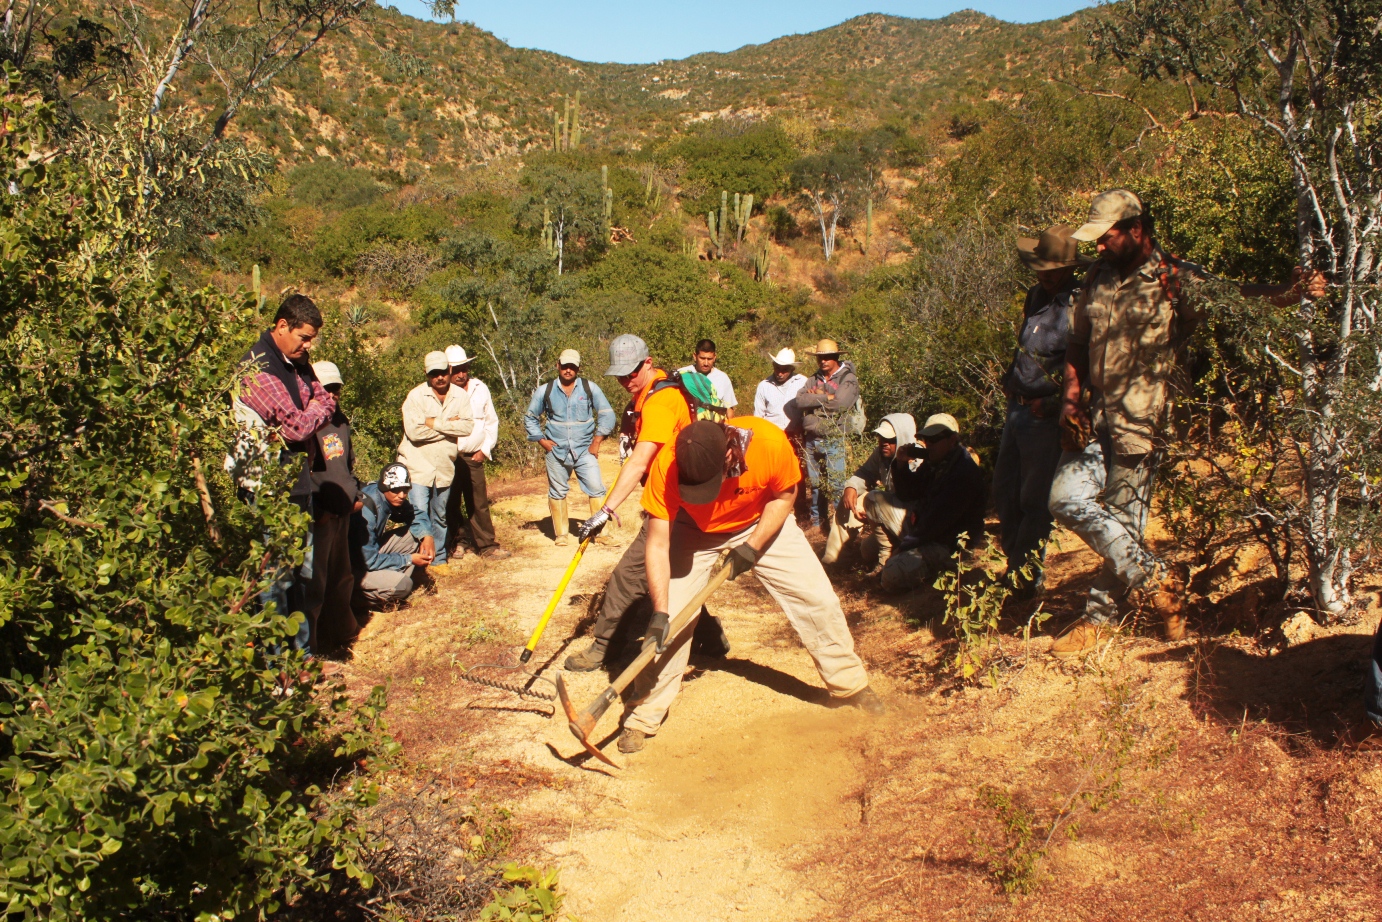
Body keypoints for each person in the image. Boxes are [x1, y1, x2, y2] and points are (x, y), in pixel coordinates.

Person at [1049, 189, 1325, 656]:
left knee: (1122, 522)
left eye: (1107, 237)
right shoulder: (1098, 276)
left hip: (1142, 422)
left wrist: (1289, 293)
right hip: (1094, 419)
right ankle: (1159, 580)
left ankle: (1098, 621)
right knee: (1064, 500)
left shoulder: (1174, 278)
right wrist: (1071, 399)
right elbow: (1078, 342)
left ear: (1136, 229)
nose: (1097, 247)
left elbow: (1234, 299)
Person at [616, 417, 884, 754]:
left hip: (760, 519)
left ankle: (850, 685)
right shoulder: (666, 466)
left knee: (816, 599)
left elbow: (785, 496)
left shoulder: (768, 444)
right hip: (693, 529)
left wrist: (753, 546)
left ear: (730, 453)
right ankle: (643, 715)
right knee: (671, 624)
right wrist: (660, 612)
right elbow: (656, 545)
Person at [564, 334, 729, 672]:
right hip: (687, 497)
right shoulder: (658, 391)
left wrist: (605, 511)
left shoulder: (660, 401)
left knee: (629, 575)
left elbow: (640, 460)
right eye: (620, 374)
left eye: (632, 371)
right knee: (669, 575)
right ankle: (711, 637)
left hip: (676, 502)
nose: (626, 380)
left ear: (648, 362)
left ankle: (604, 647)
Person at [234, 294, 337, 651]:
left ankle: (301, 656)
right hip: (267, 488)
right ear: (281, 326)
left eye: (312, 339)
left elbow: (324, 398)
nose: (309, 346)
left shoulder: (297, 362)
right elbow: (294, 427)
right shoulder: (257, 367)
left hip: (296, 481)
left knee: (300, 572)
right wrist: (313, 408)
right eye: (304, 337)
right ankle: (281, 666)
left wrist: (313, 407)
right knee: (276, 579)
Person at [993, 225, 1088, 595]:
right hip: (1015, 410)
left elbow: (1084, 364)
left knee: (1034, 500)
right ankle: (1017, 566)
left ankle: (1024, 579)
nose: (1044, 276)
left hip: (1042, 417)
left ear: (1068, 268)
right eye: (1041, 269)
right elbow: (1026, 348)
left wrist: (1050, 403)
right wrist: (1009, 377)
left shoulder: (1079, 304)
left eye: (1052, 270)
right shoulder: (1035, 296)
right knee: (1005, 492)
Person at [879, 414, 987, 593]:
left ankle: (936, 573)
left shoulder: (963, 473)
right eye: (926, 439)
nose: (928, 444)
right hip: (928, 533)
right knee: (874, 509)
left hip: (949, 545)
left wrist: (904, 547)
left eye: (934, 439)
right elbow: (908, 494)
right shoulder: (936, 463)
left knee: (891, 575)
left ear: (952, 440)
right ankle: (890, 561)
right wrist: (901, 465)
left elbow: (935, 522)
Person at [524, 348, 617, 547]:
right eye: (565, 366)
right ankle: (562, 535)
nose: (568, 370)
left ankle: (601, 534)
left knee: (597, 489)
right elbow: (530, 417)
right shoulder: (545, 390)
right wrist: (542, 441)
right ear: (558, 365)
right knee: (557, 491)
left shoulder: (589, 388)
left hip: (585, 450)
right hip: (556, 451)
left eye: (572, 367)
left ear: (578, 368)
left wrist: (597, 442)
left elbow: (607, 414)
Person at [299, 361, 361, 654]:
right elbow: (302, 472)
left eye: (337, 389)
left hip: (342, 511)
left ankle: (343, 632)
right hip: (321, 514)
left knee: (342, 576)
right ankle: (311, 645)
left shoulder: (341, 420)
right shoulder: (307, 424)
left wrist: (354, 493)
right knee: (314, 584)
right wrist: (317, 510)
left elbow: (347, 464)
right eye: (327, 389)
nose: (333, 395)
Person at [397, 350, 474, 576]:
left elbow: (467, 427)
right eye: (433, 373)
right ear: (426, 374)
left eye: (442, 372)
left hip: (444, 466)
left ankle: (439, 559)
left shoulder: (460, 396)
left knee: (439, 514)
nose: (439, 377)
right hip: (418, 464)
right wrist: (448, 426)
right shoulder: (415, 396)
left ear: (449, 371)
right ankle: (419, 562)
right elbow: (414, 432)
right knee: (418, 512)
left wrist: (432, 422)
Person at [822, 414, 925, 574]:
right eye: (881, 437)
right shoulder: (881, 453)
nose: (884, 443)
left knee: (874, 500)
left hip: (911, 523)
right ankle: (834, 561)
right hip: (890, 512)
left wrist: (876, 512)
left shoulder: (919, 458)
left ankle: (887, 562)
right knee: (866, 550)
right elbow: (865, 473)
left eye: (890, 439)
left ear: (902, 436)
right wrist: (852, 487)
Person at [447, 345, 510, 561]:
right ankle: (458, 542)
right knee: (450, 502)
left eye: (463, 368)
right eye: (455, 370)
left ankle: (487, 546)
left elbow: (491, 421)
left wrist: (485, 449)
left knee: (478, 502)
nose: (461, 374)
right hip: (450, 458)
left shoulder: (479, 388)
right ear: (447, 370)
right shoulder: (443, 392)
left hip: (474, 455)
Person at [791, 339, 862, 531]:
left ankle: (842, 525)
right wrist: (825, 397)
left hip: (834, 437)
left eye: (827, 357)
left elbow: (840, 405)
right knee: (815, 484)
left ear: (836, 357)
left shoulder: (848, 379)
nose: (823, 361)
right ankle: (817, 522)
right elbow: (799, 400)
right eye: (820, 357)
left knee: (837, 484)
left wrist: (814, 403)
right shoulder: (813, 379)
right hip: (813, 438)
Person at [354, 463, 435, 607]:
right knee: (403, 585)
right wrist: (408, 559)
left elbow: (416, 513)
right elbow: (369, 561)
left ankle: (388, 581)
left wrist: (427, 536)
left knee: (415, 536)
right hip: (354, 567)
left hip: (371, 554)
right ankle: (355, 599)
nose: (402, 495)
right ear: (385, 487)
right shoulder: (366, 512)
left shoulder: (388, 496)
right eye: (396, 490)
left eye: (406, 490)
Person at [678, 338, 737, 418]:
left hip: (715, 427)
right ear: (695, 356)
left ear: (714, 357)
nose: (706, 363)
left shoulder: (723, 378)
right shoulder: (683, 375)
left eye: (709, 359)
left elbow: (729, 409)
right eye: (702, 358)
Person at [752, 348, 808, 430]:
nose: (780, 374)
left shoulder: (802, 382)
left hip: (795, 433)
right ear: (773, 365)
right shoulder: (764, 386)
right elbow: (758, 415)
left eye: (785, 370)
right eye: (777, 368)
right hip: (772, 433)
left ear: (792, 369)